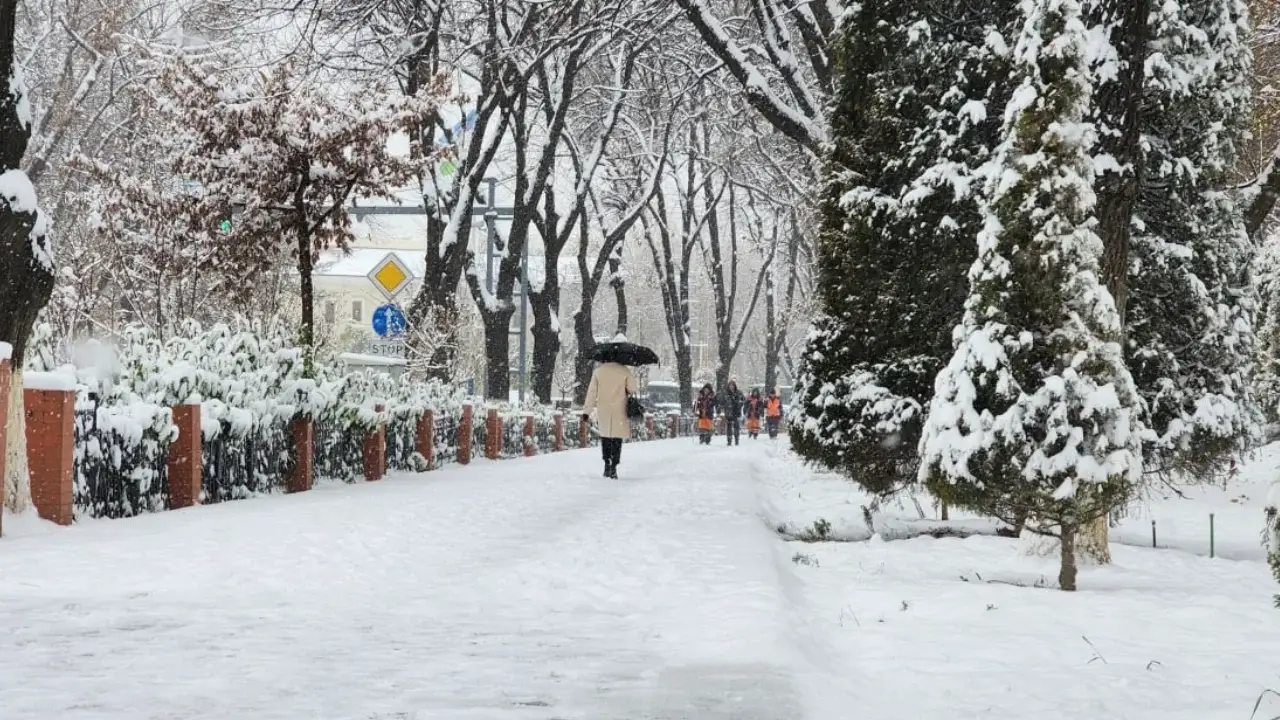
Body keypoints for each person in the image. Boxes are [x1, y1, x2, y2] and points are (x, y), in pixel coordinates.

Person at [582, 360, 638, 479]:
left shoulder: (598, 372)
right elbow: (633, 388)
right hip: (620, 409)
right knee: (617, 438)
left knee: (606, 437)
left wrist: (587, 412)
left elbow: (592, 393)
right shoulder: (624, 370)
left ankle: (607, 463)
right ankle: (614, 466)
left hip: (604, 409)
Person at [721, 378, 745, 446]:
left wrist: (739, 404)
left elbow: (743, 400)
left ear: (734, 386)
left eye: (732, 385)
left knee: (736, 426)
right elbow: (722, 402)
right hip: (728, 412)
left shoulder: (738, 392)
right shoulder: (726, 393)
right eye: (730, 385)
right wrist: (723, 407)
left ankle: (736, 440)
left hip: (736, 412)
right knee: (729, 427)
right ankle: (729, 441)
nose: (731, 387)